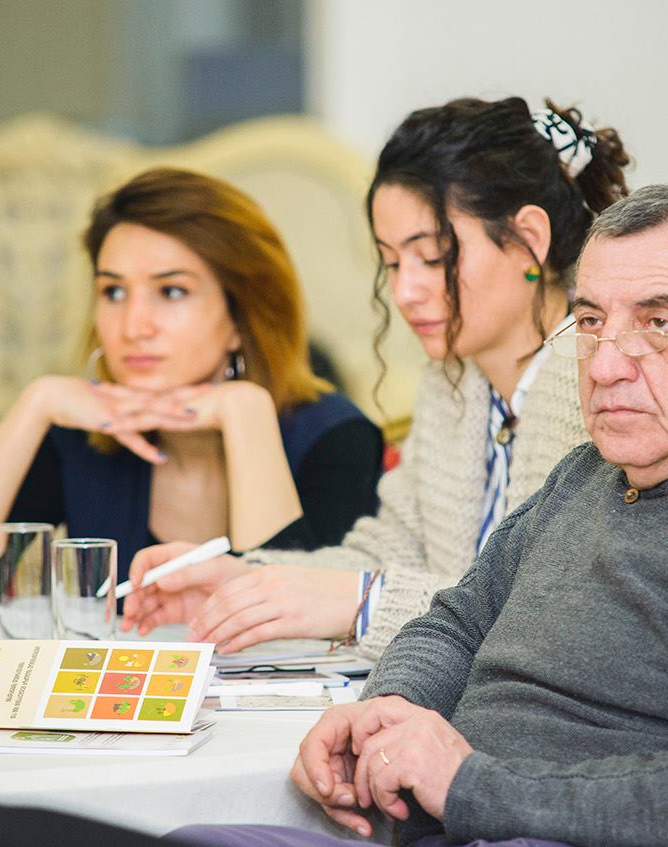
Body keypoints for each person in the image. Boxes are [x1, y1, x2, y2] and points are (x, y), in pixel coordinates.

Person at [0, 185, 668, 847]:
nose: (607, 362)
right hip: (424, 830)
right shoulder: (592, 474)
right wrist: (379, 711)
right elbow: (457, 619)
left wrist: (468, 780)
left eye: (656, 323)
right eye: (590, 321)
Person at [122, 97, 632, 657]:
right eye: (392, 262)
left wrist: (364, 602)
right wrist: (247, 582)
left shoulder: (605, 382)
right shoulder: (454, 384)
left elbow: (559, 609)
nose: (405, 291)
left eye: (433, 257)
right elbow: (388, 552)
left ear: (529, 239)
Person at [0, 168, 384, 572]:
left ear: (241, 317)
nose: (133, 327)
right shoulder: (78, 434)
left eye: (172, 291)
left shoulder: (338, 439)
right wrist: (36, 403)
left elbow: (289, 608)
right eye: (113, 291)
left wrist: (246, 416)